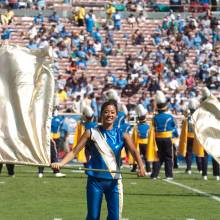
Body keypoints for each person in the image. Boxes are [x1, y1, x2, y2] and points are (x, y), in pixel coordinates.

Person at [52, 99, 145, 220]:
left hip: (114, 182)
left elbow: (134, 151)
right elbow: (74, 151)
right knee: (93, 216)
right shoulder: (91, 132)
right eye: (106, 112)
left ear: (116, 114)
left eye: (112, 112)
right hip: (95, 181)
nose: (109, 115)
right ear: (101, 114)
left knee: (114, 217)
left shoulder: (123, 134)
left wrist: (141, 166)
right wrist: (61, 163)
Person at [150, 91, 177, 180]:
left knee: (158, 156)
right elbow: (173, 126)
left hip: (157, 138)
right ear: (165, 108)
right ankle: (169, 175)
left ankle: (154, 174)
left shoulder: (155, 117)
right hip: (167, 138)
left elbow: (153, 126)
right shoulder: (169, 117)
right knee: (168, 157)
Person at [179, 98, 201, 175]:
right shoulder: (198, 116)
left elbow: (183, 126)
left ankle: (189, 168)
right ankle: (200, 168)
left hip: (188, 136)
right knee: (198, 152)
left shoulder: (187, 117)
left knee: (189, 153)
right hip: (197, 137)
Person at [130, 104, 151, 175]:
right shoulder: (148, 126)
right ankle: (148, 169)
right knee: (146, 157)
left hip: (138, 143)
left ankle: (134, 168)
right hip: (146, 143)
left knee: (137, 156)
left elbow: (133, 137)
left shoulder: (136, 127)